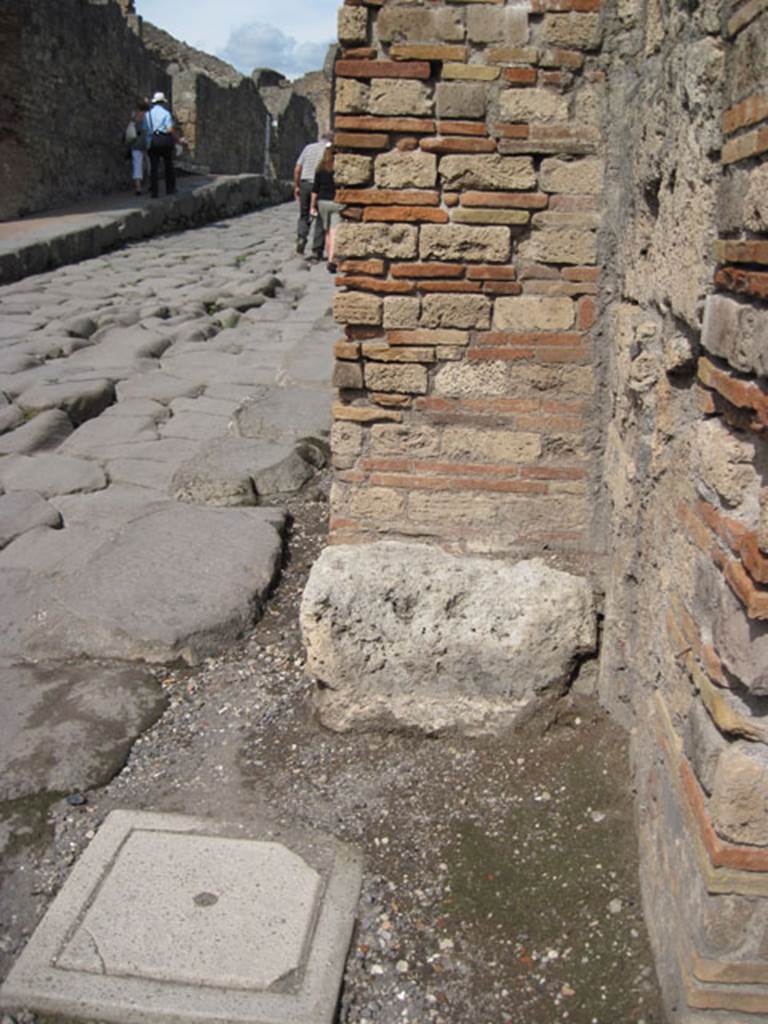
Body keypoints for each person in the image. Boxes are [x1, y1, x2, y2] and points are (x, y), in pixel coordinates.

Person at [293, 132, 332, 259]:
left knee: (304, 214)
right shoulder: (329, 150)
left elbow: (298, 168)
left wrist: (297, 185)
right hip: (320, 185)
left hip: (305, 183)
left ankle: (301, 238)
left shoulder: (308, 148)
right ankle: (317, 250)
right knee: (320, 217)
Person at [310, 146, 344, 273]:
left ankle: (328, 255)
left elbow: (315, 190)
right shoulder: (339, 170)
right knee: (334, 231)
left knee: (327, 232)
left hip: (322, 202)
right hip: (336, 202)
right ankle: (332, 259)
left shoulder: (320, 169)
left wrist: (312, 206)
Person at [145, 91, 177, 199]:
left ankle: (154, 192)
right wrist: (176, 138)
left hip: (153, 140)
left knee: (154, 167)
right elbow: (169, 129)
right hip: (164, 139)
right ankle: (170, 189)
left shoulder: (147, 114)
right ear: (163, 102)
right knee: (168, 164)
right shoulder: (166, 113)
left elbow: (145, 129)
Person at [128, 98, 149, 196]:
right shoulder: (149, 117)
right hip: (147, 143)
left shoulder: (134, 116)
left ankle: (138, 188)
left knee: (137, 165)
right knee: (150, 165)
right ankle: (151, 185)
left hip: (136, 143)